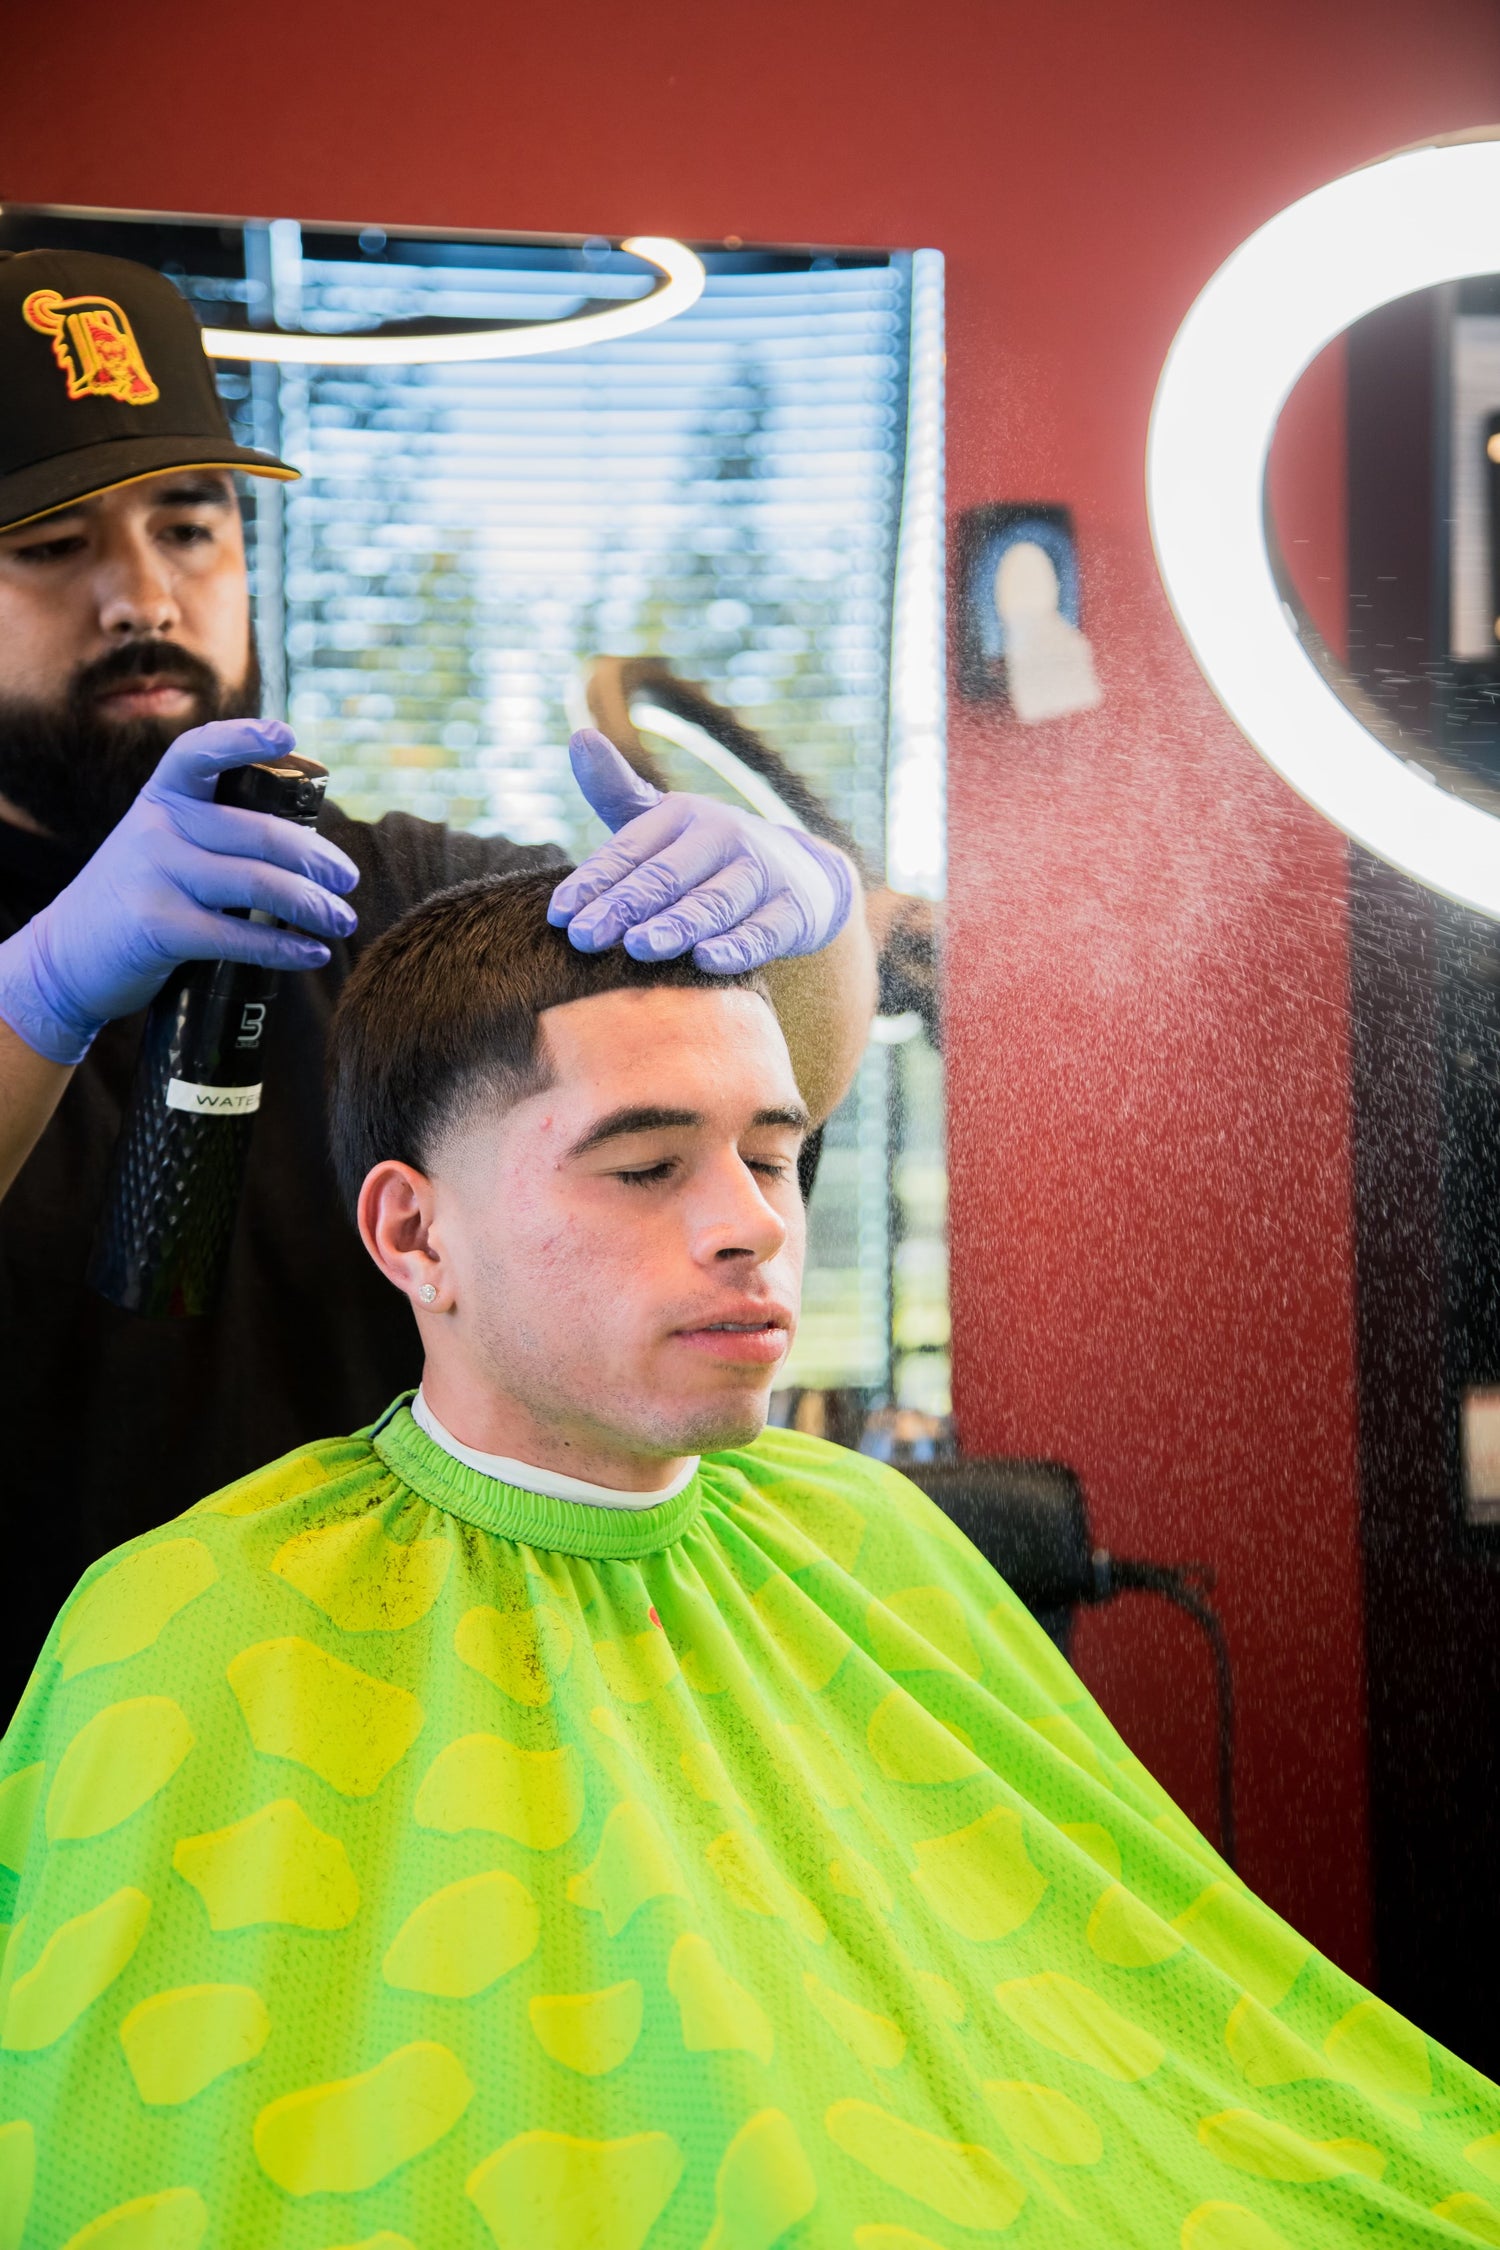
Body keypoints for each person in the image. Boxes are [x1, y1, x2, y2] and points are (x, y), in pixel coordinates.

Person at [1, 867, 1497, 2250]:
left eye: (772, 1157)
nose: (751, 1229)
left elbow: (1142, 2053)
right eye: (646, 1167)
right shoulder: (191, 1623)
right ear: (415, 1234)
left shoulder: (870, 1538)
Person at [0, 246, 876, 1724]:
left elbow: (770, 1078)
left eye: (191, 525)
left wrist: (815, 917)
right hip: (56, 1755)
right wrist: (42, 987)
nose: (142, 594)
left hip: (423, 1734)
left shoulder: (401, 898)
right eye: (51, 544)